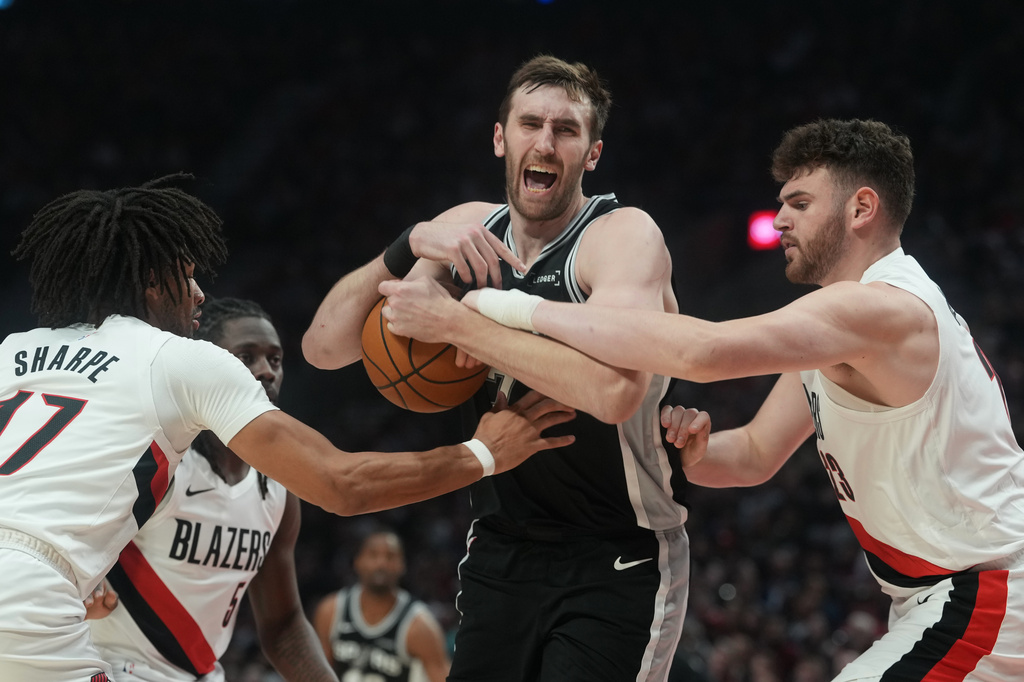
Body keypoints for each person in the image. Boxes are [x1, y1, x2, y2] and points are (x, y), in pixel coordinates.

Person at [458, 119, 1024, 679]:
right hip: (945, 596)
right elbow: (755, 453)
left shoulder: (880, 308)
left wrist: (502, 309)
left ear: (861, 208)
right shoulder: (847, 332)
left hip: (991, 589)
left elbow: (704, 353)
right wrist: (693, 452)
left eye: (799, 203)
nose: (779, 220)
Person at [0, 176, 574, 681]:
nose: (201, 294)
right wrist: (484, 452)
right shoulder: (174, 358)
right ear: (152, 281)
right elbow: (340, 483)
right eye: (188, 275)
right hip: (34, 602)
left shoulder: (15, 351)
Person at [303, 55, 688, 682]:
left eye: (566, 130)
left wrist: (457, 324)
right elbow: (324, 347)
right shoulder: (465, 230)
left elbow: (614, 393)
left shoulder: (620, 237)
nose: (545, 141)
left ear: (592, 153)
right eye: (530, 123)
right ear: (499, 137)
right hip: (500, 547)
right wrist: (405, 246)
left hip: (617, 551)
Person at [85, 297, 336, 681]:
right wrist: (81, 577)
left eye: (275, 359)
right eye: (246, 357)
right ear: (208, 366)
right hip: (109, 667)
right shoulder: (160, 456)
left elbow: (283, 626)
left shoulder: (279, 490)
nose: (266, 372)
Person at [312, 528, 450, 682]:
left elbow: (442, 676)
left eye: (390, 557)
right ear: (358, 561)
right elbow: (317, 674)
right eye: (373, 555)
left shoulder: (420, 626)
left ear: (402, 565)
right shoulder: (331, 610)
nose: (381, 563)